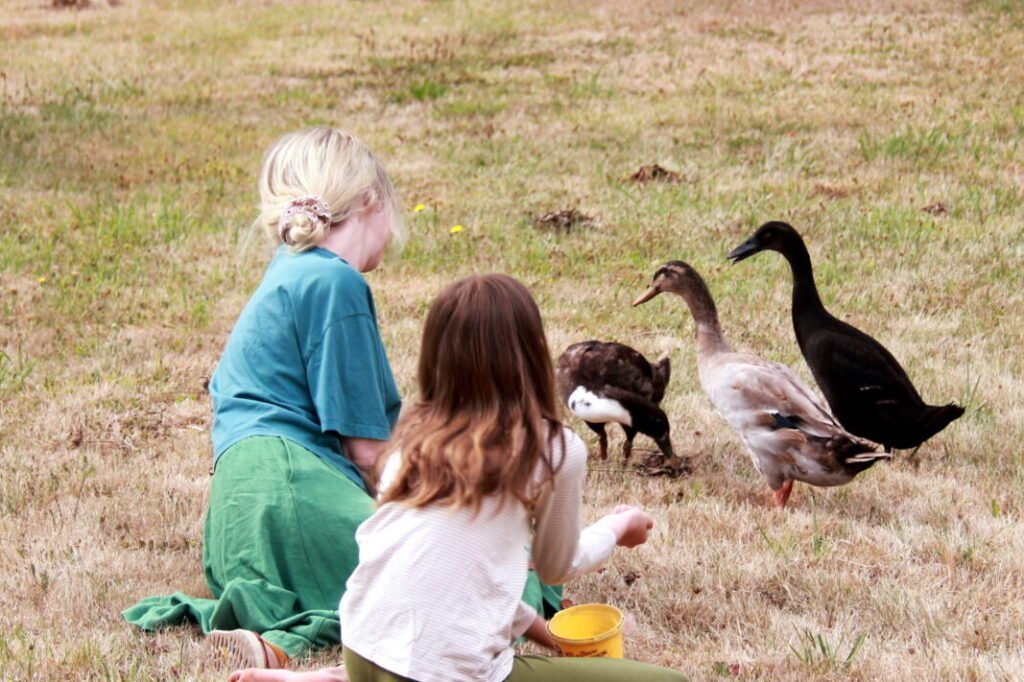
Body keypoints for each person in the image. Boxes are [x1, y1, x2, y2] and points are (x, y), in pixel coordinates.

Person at [228, 274, 686, 681]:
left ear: (436, 357)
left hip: (363, 650)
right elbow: (555, 566)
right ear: (531, 353)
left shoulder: (409, 438)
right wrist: (618, 527)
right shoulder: (551, 448)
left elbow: (460, 575)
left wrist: (546, 636)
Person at [123, 127, 405, 668]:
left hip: (237, 523)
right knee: (455, 577)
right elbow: (370, 454)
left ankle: (273, 633)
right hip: (290, 492)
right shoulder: (335, 283)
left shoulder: (289, 272)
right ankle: (290, 639)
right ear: (371, 201)